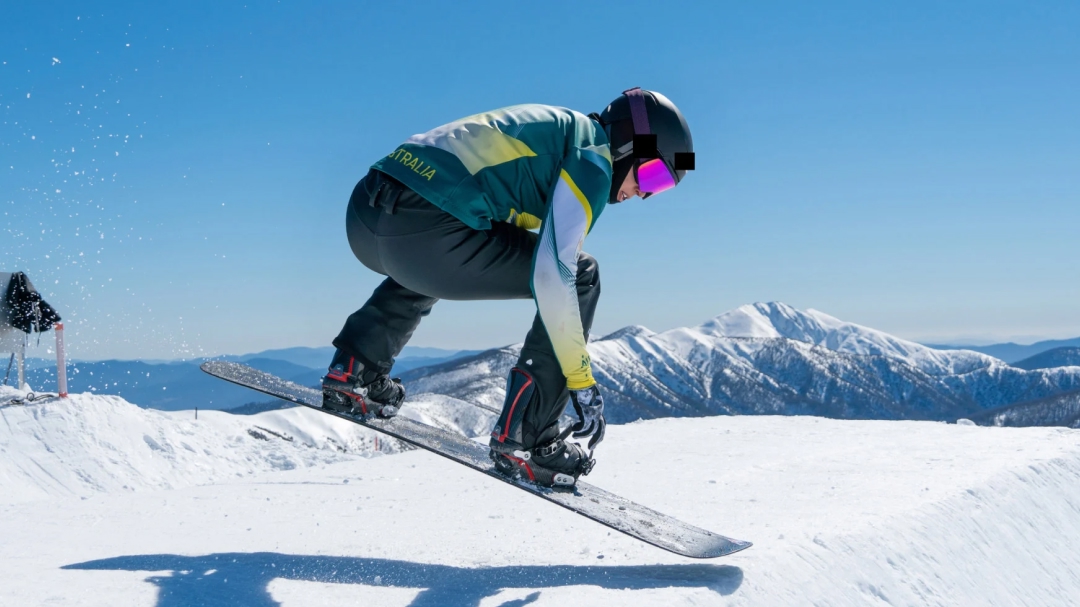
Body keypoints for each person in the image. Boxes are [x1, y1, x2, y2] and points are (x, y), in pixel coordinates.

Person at [323, 88, 694, 487]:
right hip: (421, 235)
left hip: (366, 214)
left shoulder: (555, 129)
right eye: (653, 175)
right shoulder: (593, 156)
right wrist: (580, 381)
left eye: (661, 189)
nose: (644, 193)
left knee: (475, 222)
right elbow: (555, 275)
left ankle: (355, 369)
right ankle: (529, 438)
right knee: (583, 273)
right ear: (629, 143)